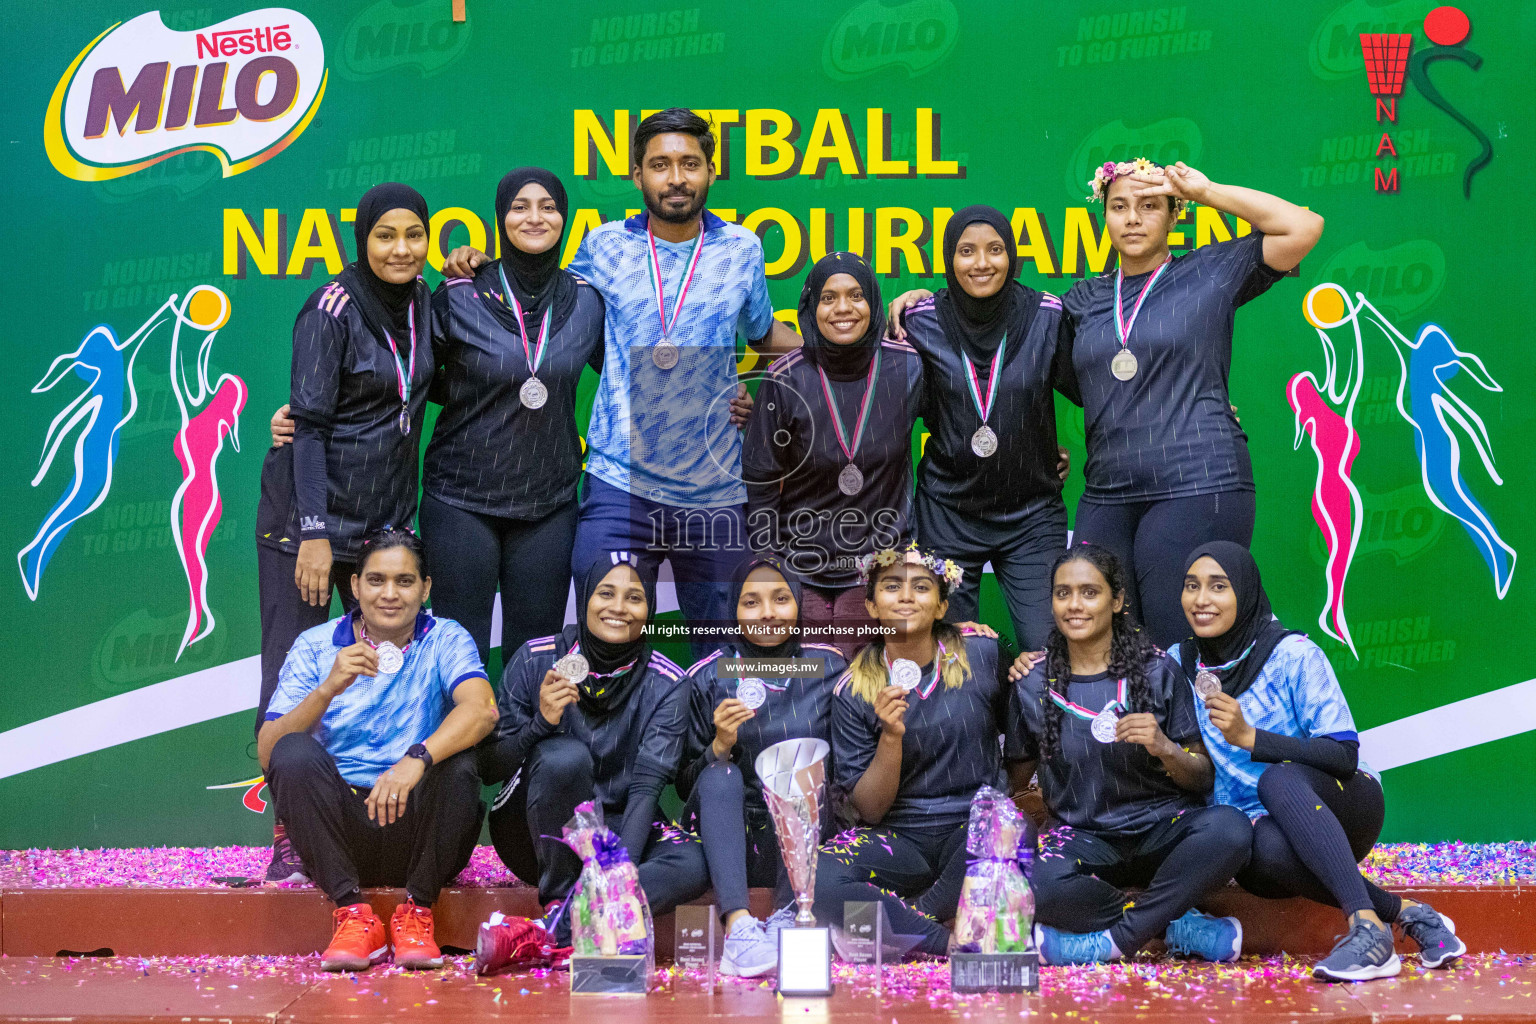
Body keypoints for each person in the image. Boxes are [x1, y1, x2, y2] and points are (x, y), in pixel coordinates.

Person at [443, 109, 802, 657]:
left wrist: (855, 340)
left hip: (714, 485)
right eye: (660, 165)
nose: (675, 178)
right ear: (638, 176)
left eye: (689, 164)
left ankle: (722, 743)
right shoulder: (603, 246)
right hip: (619, 482)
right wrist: (479, 265)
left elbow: (763, 334)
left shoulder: (743, 250)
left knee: (729, 647)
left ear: (711, 171)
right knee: (601, 640)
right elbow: (542, 291)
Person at [269, 169, 606, 668]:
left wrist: (734, 399)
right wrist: (302, 419)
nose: (534, 216)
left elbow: (630, 378)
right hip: (446, 505)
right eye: (519, 206)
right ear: (499, 217)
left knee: (528, 661)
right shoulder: (448, 298)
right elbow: (361, 397)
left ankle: (519, 745)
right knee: (439, 659)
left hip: (538, 504)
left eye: (548, 206)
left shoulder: (582, 302)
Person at [1172, 542, 1466, 982]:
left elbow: (1344, 753)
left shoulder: (1291, 654)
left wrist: (1251, 738)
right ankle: (1405, 913)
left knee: (1278, 780)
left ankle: (1367, 932)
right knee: (1261, 848)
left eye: (1219, 586)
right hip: (1266, 829)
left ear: (1246, 593)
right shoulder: (1180, 663)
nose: (1201, 599)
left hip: (1342, 804)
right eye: (1191, 586)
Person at [1063, 160, 1324, 646]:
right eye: (1118, 207)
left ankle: (1189, 726)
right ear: (1104, 216)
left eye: (1148, 206)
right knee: (1102, 647)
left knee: (1174, 645)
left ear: (1173, 214)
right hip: (1106, 492)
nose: (1133, 218)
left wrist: (1207, 189)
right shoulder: (1083, 300)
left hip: (1198, 482)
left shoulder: (1211, 271)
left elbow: (1303, 228)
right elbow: (1015, 352)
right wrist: (919, 305)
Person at [254, 183, 435, 883]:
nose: (400, 248)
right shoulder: (330, 308)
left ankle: (375, 817)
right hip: (307, 523)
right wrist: (314, 532)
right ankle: (289, 835)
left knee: (382, 674)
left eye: (413, 235)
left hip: (384, 521)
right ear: (362, 239)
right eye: (385, 235)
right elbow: (310, 427)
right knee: (290, 674)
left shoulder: (426, 305)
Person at [257, 527, 497, 972]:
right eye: (376, 580)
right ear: (354, 586)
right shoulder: (315, 645)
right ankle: (352, 914)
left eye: (405, 581)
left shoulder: (445, 636)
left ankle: (418, 913)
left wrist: (417, 757)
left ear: (425, 588)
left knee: (460, 762)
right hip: (342, 832)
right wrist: (327, 688)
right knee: (294, 753)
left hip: (417, 828)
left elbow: (482, 709)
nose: (390, 594)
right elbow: (270, 753)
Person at [1005, 543, 1251, 965]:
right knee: (1030, 880)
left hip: (1164, 833)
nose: (1074, 605)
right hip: (1084, 838)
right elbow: (1011, 780)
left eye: (1089, 592)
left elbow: (1202, 779)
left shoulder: (1158, 671)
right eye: (1063, 593)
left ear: (1117, 601)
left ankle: (1111, 942)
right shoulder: (1031, 682)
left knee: (1231, 829)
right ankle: (1173, 924)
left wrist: (1165, 748)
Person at [478, 551, 709, 937]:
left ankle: (562, 927)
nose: (618, 608)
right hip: (533, 833)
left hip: (619, 829)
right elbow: (490, 767)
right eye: (606, 593)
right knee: (564, 757)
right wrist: (541, 724)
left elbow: (646, 790)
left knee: (693, 860)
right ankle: (559, 896)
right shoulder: (537, 659)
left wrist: (618, 875)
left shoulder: (668, 683)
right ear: (585, 598)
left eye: (634, 598)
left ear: (649, 609)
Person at [883, 206, 1076, 650]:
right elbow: (866, 388)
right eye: (966, 251)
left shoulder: (1047, 317)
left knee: (1050, 649)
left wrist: (1185, 405)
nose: (982, 263)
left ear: (1012, 256)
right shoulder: (919, 320)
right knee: (951, 655)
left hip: (1031, 514)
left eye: (995, 250)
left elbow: (1098, 387)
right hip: (948, 513)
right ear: (950, 258)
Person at [812, 544, 1010, 958]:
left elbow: (1022, 749)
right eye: (891, 587)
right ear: (870, 604)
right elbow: (870, 810)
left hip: (971, 830)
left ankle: (914, 917)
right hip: (899, 838)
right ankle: (944, 942)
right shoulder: (853, 691)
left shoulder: (983, 655)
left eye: (921, 587)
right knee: (817, 877)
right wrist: (891, 735)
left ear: (941, 606)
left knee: (1010, 827)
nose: (906, 596)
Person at [742, 252, 923, 658]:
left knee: (860, 670)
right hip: (799, 563)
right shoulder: (785, 376)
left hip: (880, 562)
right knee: (810, 673)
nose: (843, 308)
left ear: (874, 303)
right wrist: (771, 566)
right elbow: (761, 482)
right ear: (811, 308)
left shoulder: (909, 368)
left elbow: (961, 426)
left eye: (856, 295)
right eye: (829, 298)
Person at [676, 555, 848, 976]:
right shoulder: (710, 676)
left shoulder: (829, 666)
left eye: (780, 599)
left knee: (798, 767)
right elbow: (685, 785)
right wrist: (719, 745)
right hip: (730, 846)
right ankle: (739, 929)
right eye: (751, 602)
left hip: (808, 845)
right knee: (720, 774)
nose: (768, 613)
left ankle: (792, 915)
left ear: (798, 604)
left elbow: (847, 767)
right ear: (734, 609)